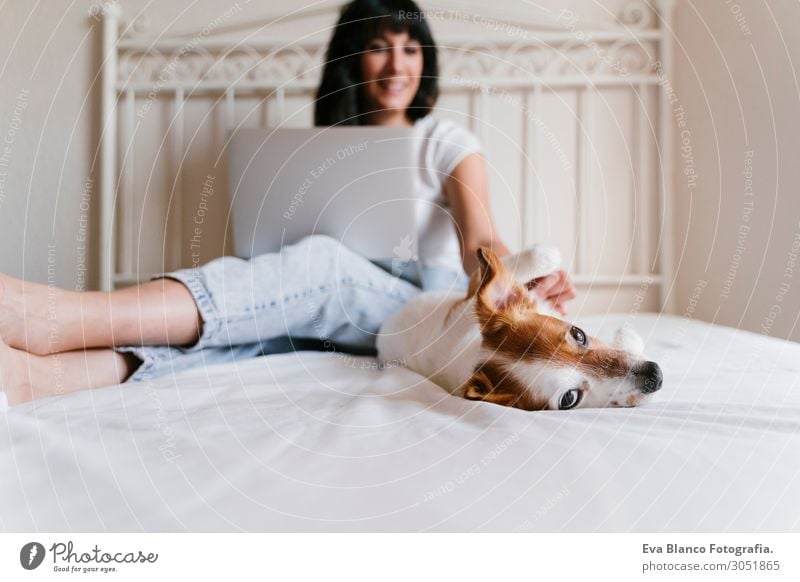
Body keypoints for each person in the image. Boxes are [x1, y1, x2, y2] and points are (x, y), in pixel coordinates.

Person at [0, 0, 575, 406]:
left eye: (410, 48)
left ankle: (61, 318)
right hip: (318, 309)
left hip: (414, 309)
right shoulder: (309, 151)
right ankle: (38, 380)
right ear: (354, 59)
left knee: (324, 266)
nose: (398, 65)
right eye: (379, 47)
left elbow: (482, 239)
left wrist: (509, 279)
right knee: (251, 337)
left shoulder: (446, 140)